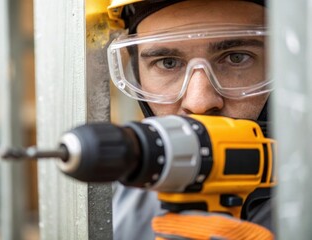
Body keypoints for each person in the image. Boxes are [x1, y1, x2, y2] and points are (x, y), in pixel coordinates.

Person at [105, 0, 273, 239]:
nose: (199, 102)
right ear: (136, 71)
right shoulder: (122, 196)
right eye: (168, 63)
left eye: (236, 58)